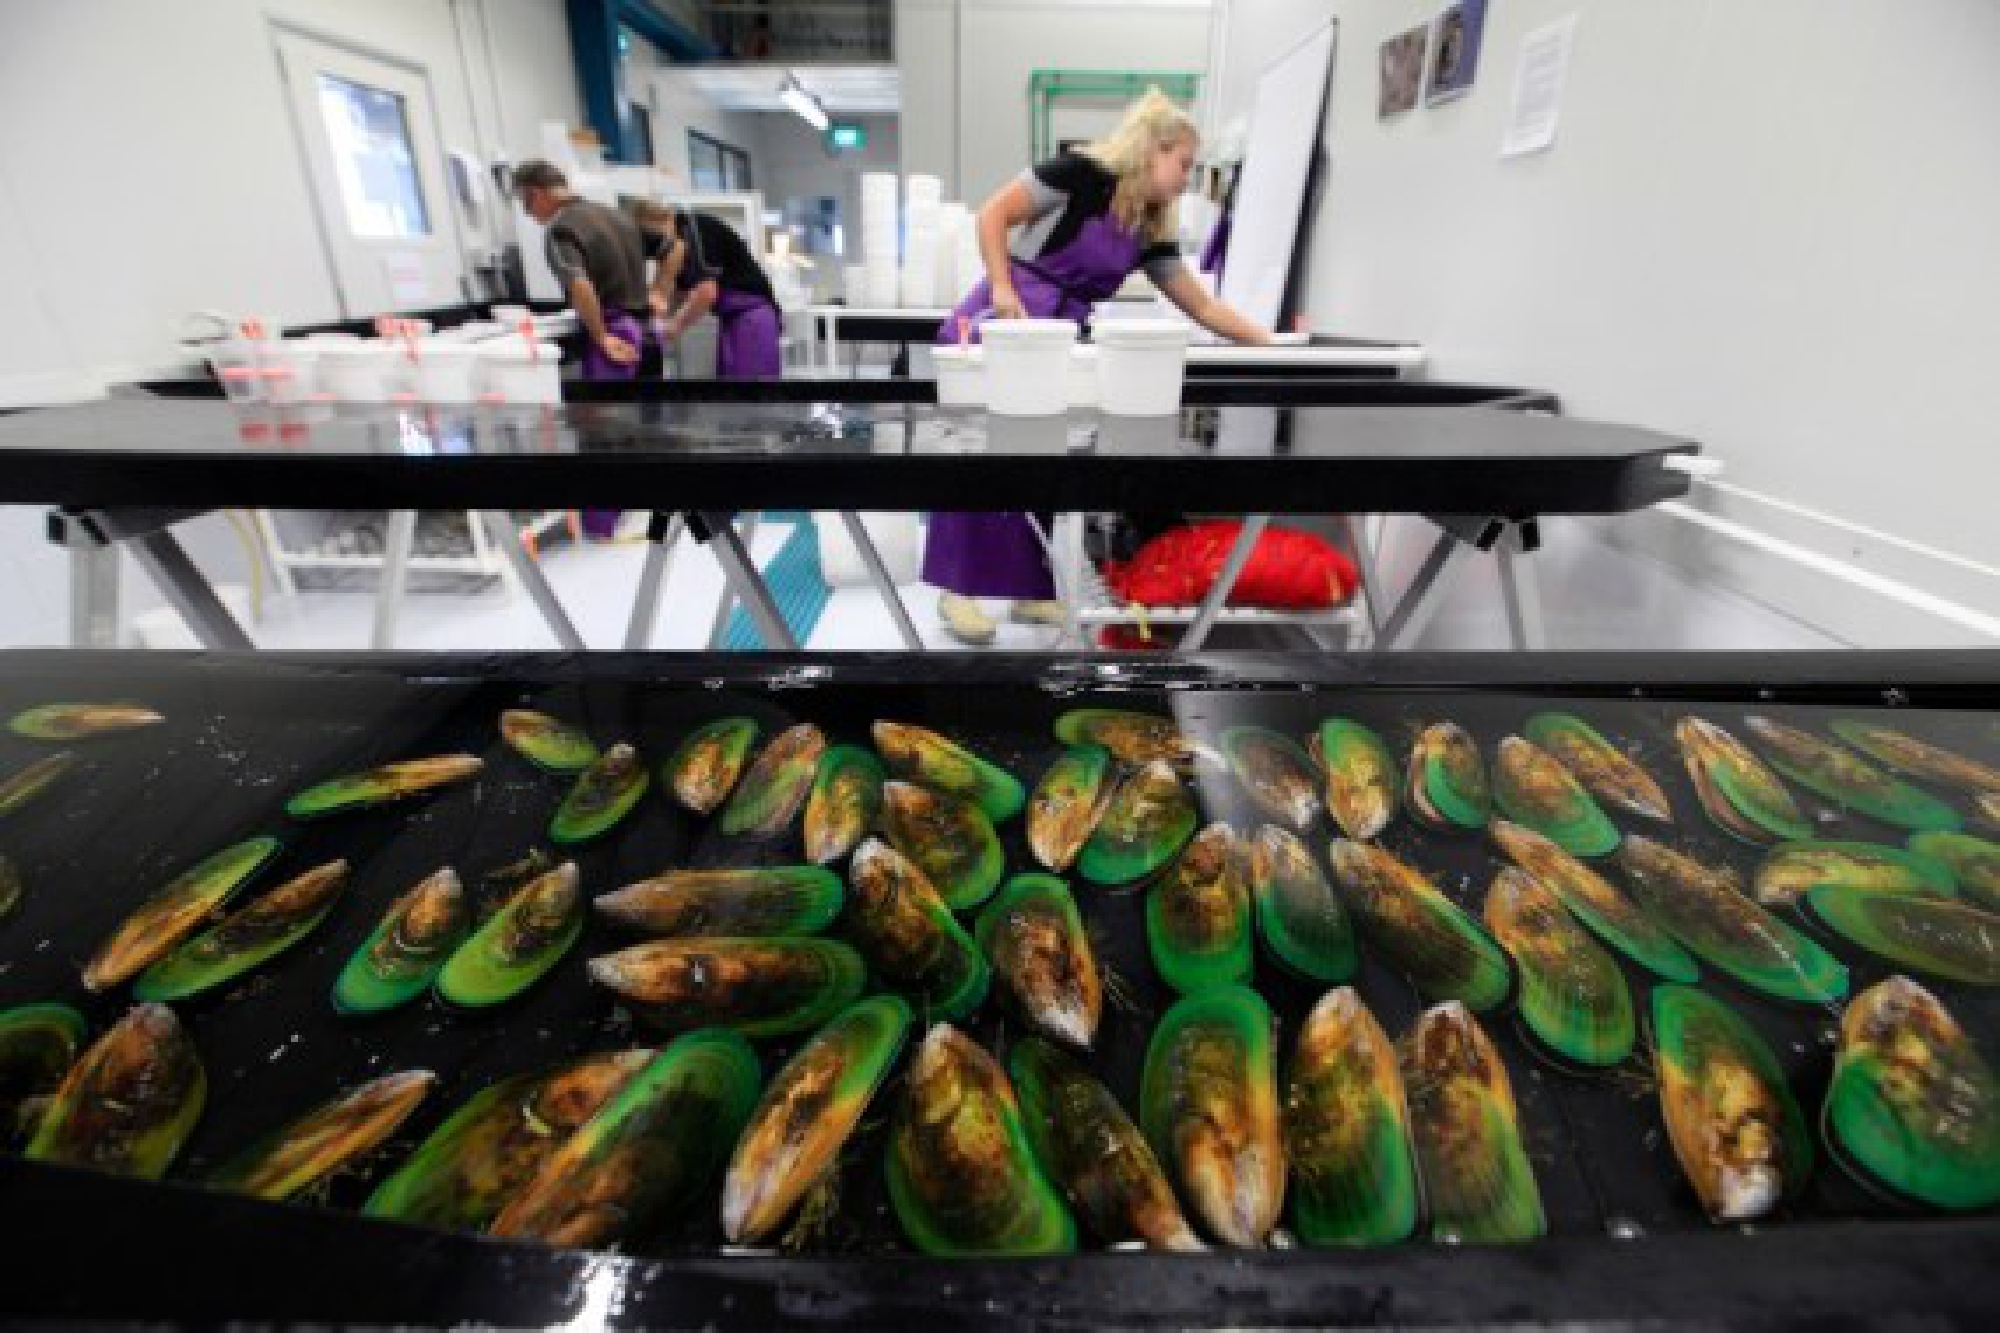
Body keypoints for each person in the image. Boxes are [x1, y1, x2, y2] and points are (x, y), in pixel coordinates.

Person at [925, 89, 1273, 645]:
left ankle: (1028, 590)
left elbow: (1202, 306)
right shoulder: (1078, 173)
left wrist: (1270, 343)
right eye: (1184, 163)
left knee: (1039, 463)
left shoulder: (1150, 228)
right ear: (1153, 149)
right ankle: (956, 591)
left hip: (1060, 340)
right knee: (982, 457)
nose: (1189, 178)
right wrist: (1001, 284)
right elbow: (993, 214)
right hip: (1006, 322)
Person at [513, 161, 670, 539]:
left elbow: (580, 285)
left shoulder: (562, 229)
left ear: (537, 193)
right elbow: (673, 247)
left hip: (616, 331)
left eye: (525, 203)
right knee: (639, 427)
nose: (527, 213)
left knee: (603, 433)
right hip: (646, 333)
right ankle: (640, 511)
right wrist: (660, 292)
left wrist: (599, 336)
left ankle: (604, 526)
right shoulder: (618, 217)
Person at [636, 202, 784, 379]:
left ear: (668, 220)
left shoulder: (698, 232)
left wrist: (674, 326)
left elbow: (706, 292)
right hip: (733, 320)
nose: (656, 246)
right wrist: (657, 315)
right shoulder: (674, 246)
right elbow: (678, 292)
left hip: (752, 317)